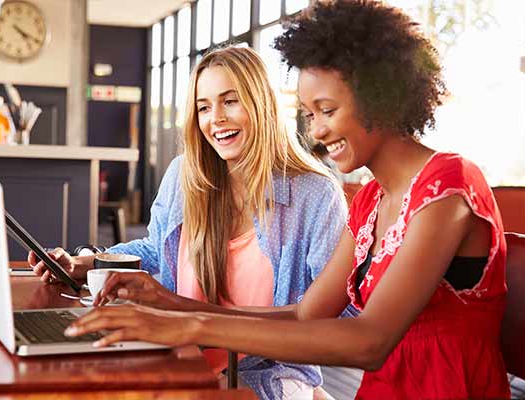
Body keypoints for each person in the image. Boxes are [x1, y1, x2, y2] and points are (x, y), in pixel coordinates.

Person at [63, 1, 511, 399]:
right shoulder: (372, 199)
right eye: (310, 114)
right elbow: (304, 314)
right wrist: (173, 305)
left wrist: (193, 325)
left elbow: (369, 342)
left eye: (328, 111)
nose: (315, 131)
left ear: (382, 98)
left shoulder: (448, 184)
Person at [29, 45, 347, 399]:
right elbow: (153, 251)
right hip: (178, 357)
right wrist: (84, 263)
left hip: (265, 374)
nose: (216, 119)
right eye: (204, 107)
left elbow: (332, 318)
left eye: (230, 101)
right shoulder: (184, 174)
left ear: (262, 104)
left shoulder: (314, 194)